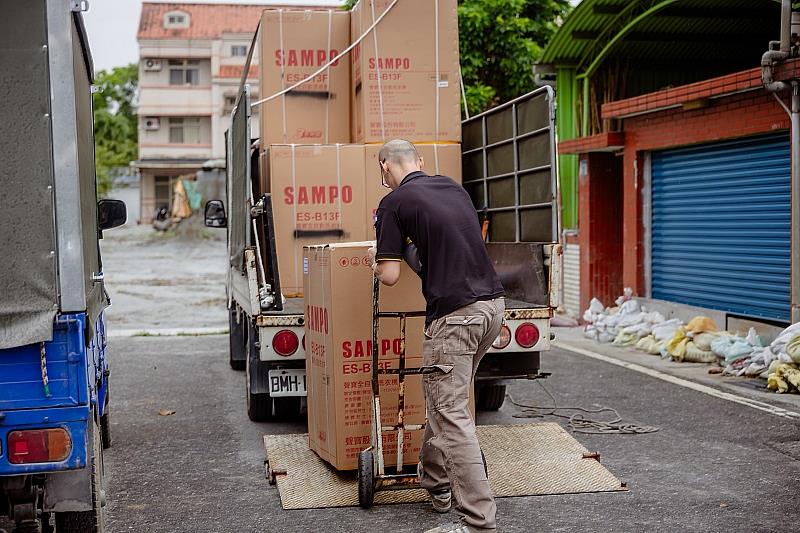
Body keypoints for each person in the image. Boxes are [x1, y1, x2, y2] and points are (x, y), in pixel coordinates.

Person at [369, 140, 505, 533]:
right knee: (445, 400)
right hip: (492, 307)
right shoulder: (451, 186)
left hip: (455, 317)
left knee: (450, 414)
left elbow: (391, 275)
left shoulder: (394, 203)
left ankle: (478, 522)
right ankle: (437, 484)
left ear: (384, 168)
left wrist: (376, 261)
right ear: (420, 162)